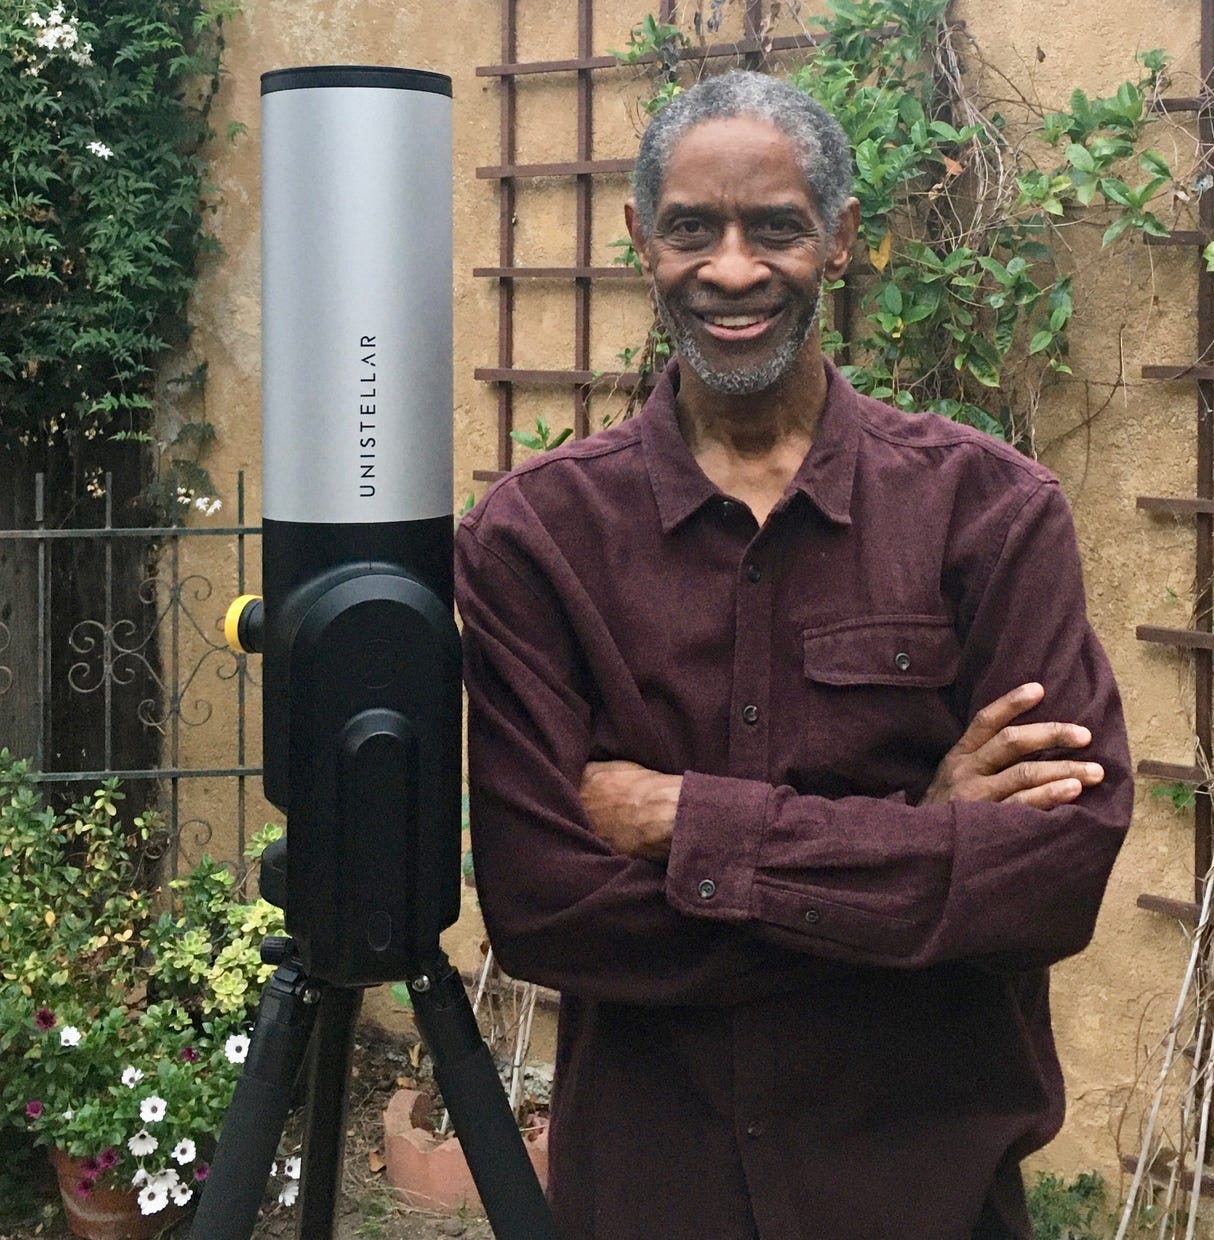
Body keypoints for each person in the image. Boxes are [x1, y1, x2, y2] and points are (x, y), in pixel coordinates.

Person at [454, 69, 1131, 1240]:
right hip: (655, 1197)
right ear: (638, 240)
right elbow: (545, 909)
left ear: (842, 240)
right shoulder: (537, 540)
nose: (730, 270)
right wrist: (922, 840)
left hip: (927, 1190)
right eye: (691, 229)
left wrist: (689, 823)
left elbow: (1051, 878)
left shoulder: (990, 514)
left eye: (775, 227)